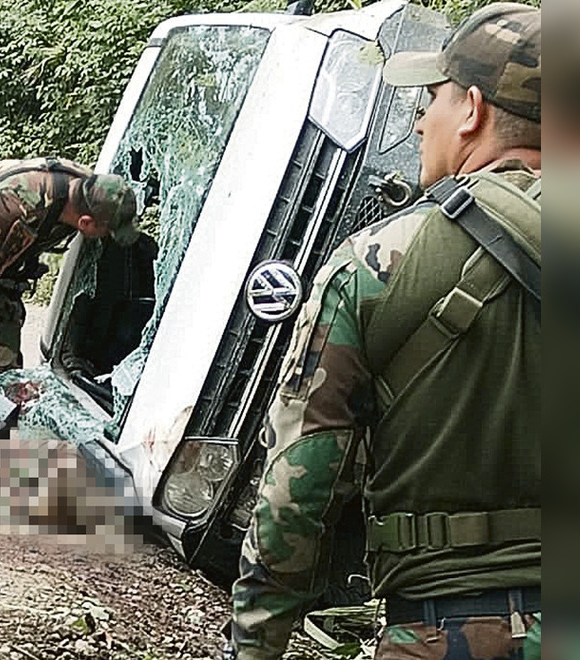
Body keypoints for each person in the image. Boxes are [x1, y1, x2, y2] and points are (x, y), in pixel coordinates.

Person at [230, 4, 541, 660]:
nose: (421, 122)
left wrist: (255, 645)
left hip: (442, 631)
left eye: (431, 100)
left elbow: (297, 491)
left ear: (472, 110)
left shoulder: (376, 262)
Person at [0, 158, 138, 422]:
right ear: (85, 223)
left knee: (5, 371)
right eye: (108, 231)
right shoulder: (23, 201)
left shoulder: (94, 192)